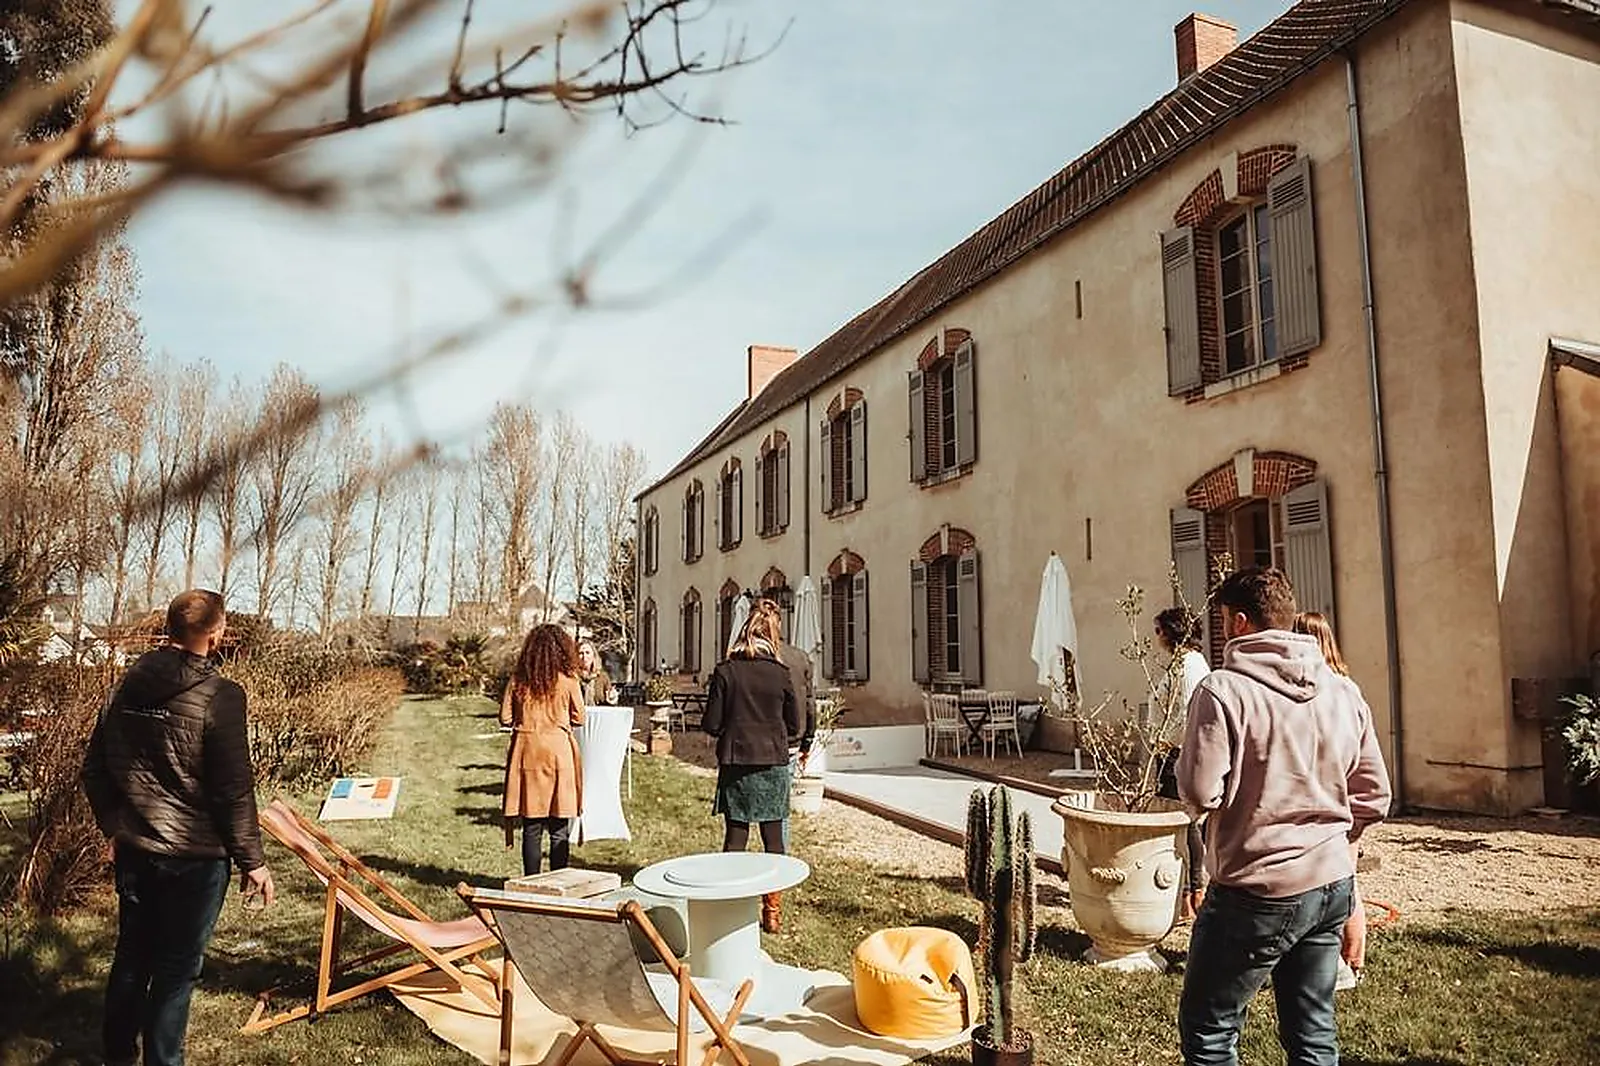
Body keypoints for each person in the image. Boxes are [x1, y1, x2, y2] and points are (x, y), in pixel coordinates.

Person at [1176, 568, 1391, 1066]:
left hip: (1256, 888)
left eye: (1226, 620)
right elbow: (1375, 795)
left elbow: (1198, 790)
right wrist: (1333, 837)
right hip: (1331, 883)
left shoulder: (1223, 691)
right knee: (1312, 1029)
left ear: (1239, 623)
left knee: (1210, 1027)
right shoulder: (1344, 691)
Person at [82, 589, 275, 1066]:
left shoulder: (127, 684)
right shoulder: (221, 695)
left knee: (132, 957)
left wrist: (114, 825)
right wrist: (254, 861)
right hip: (194, 858)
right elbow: (233, 789)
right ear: (217, 632)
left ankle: (117, 1056)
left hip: (137, 849)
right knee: (174, 971)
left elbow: (94, 769)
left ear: (169, 628)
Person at [701, 607, 802, 934]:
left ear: (744, 632)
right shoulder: (781, 673)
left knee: (736, 836)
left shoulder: (726, 671)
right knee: (774, 840)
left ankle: (733, 907)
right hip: (772, 760)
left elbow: (712, 724)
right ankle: (772, 911)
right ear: (773, 636)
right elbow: (795, 725)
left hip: (737, 762)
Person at [1294, 610, 1366, 991]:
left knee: (1339, 885)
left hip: (1330, 804)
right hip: (1347, 802)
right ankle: (1350, 962)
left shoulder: (1320, 692)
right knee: (1345, 882)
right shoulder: (1348, 688)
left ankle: (1344, 964)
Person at [501, 624, 586, 876]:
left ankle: (532, 883)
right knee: (559, 825)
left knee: (532, 825)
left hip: (527, 751)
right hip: (559, 752)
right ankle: (559, 880)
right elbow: (579, 717)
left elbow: (505, 717)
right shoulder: (569, 680)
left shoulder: (518, 680)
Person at [1153, 606, 1209, 920]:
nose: (1156, 637)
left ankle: (1191, 893)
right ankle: (1187, 891)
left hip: (1177, 754)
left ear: (1172, 632)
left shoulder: (1187, 667)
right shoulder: (1182, 663)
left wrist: (1164, 742)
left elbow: (1184, 718)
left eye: (1159, 631)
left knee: (1186, 824)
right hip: (1172, 752)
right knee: (1183, 824)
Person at [576, 639, 616, 706]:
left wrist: (612, 698)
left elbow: (609, 702)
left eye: (587, 653)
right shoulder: (572, 676)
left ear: (593, 656)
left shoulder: (602, 677)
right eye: (581, 653)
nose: (584, 657)